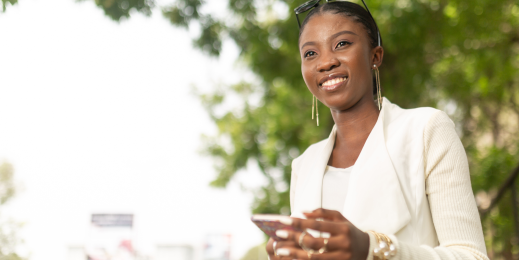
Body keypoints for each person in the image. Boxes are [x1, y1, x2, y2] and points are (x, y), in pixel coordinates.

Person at [264, 1, 489, 260]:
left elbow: (471, 256)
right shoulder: (303, 165)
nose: (325, 62)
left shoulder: (426, 131)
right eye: (310, 53)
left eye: (342, 44)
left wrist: (372, 248)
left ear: (375, 56)